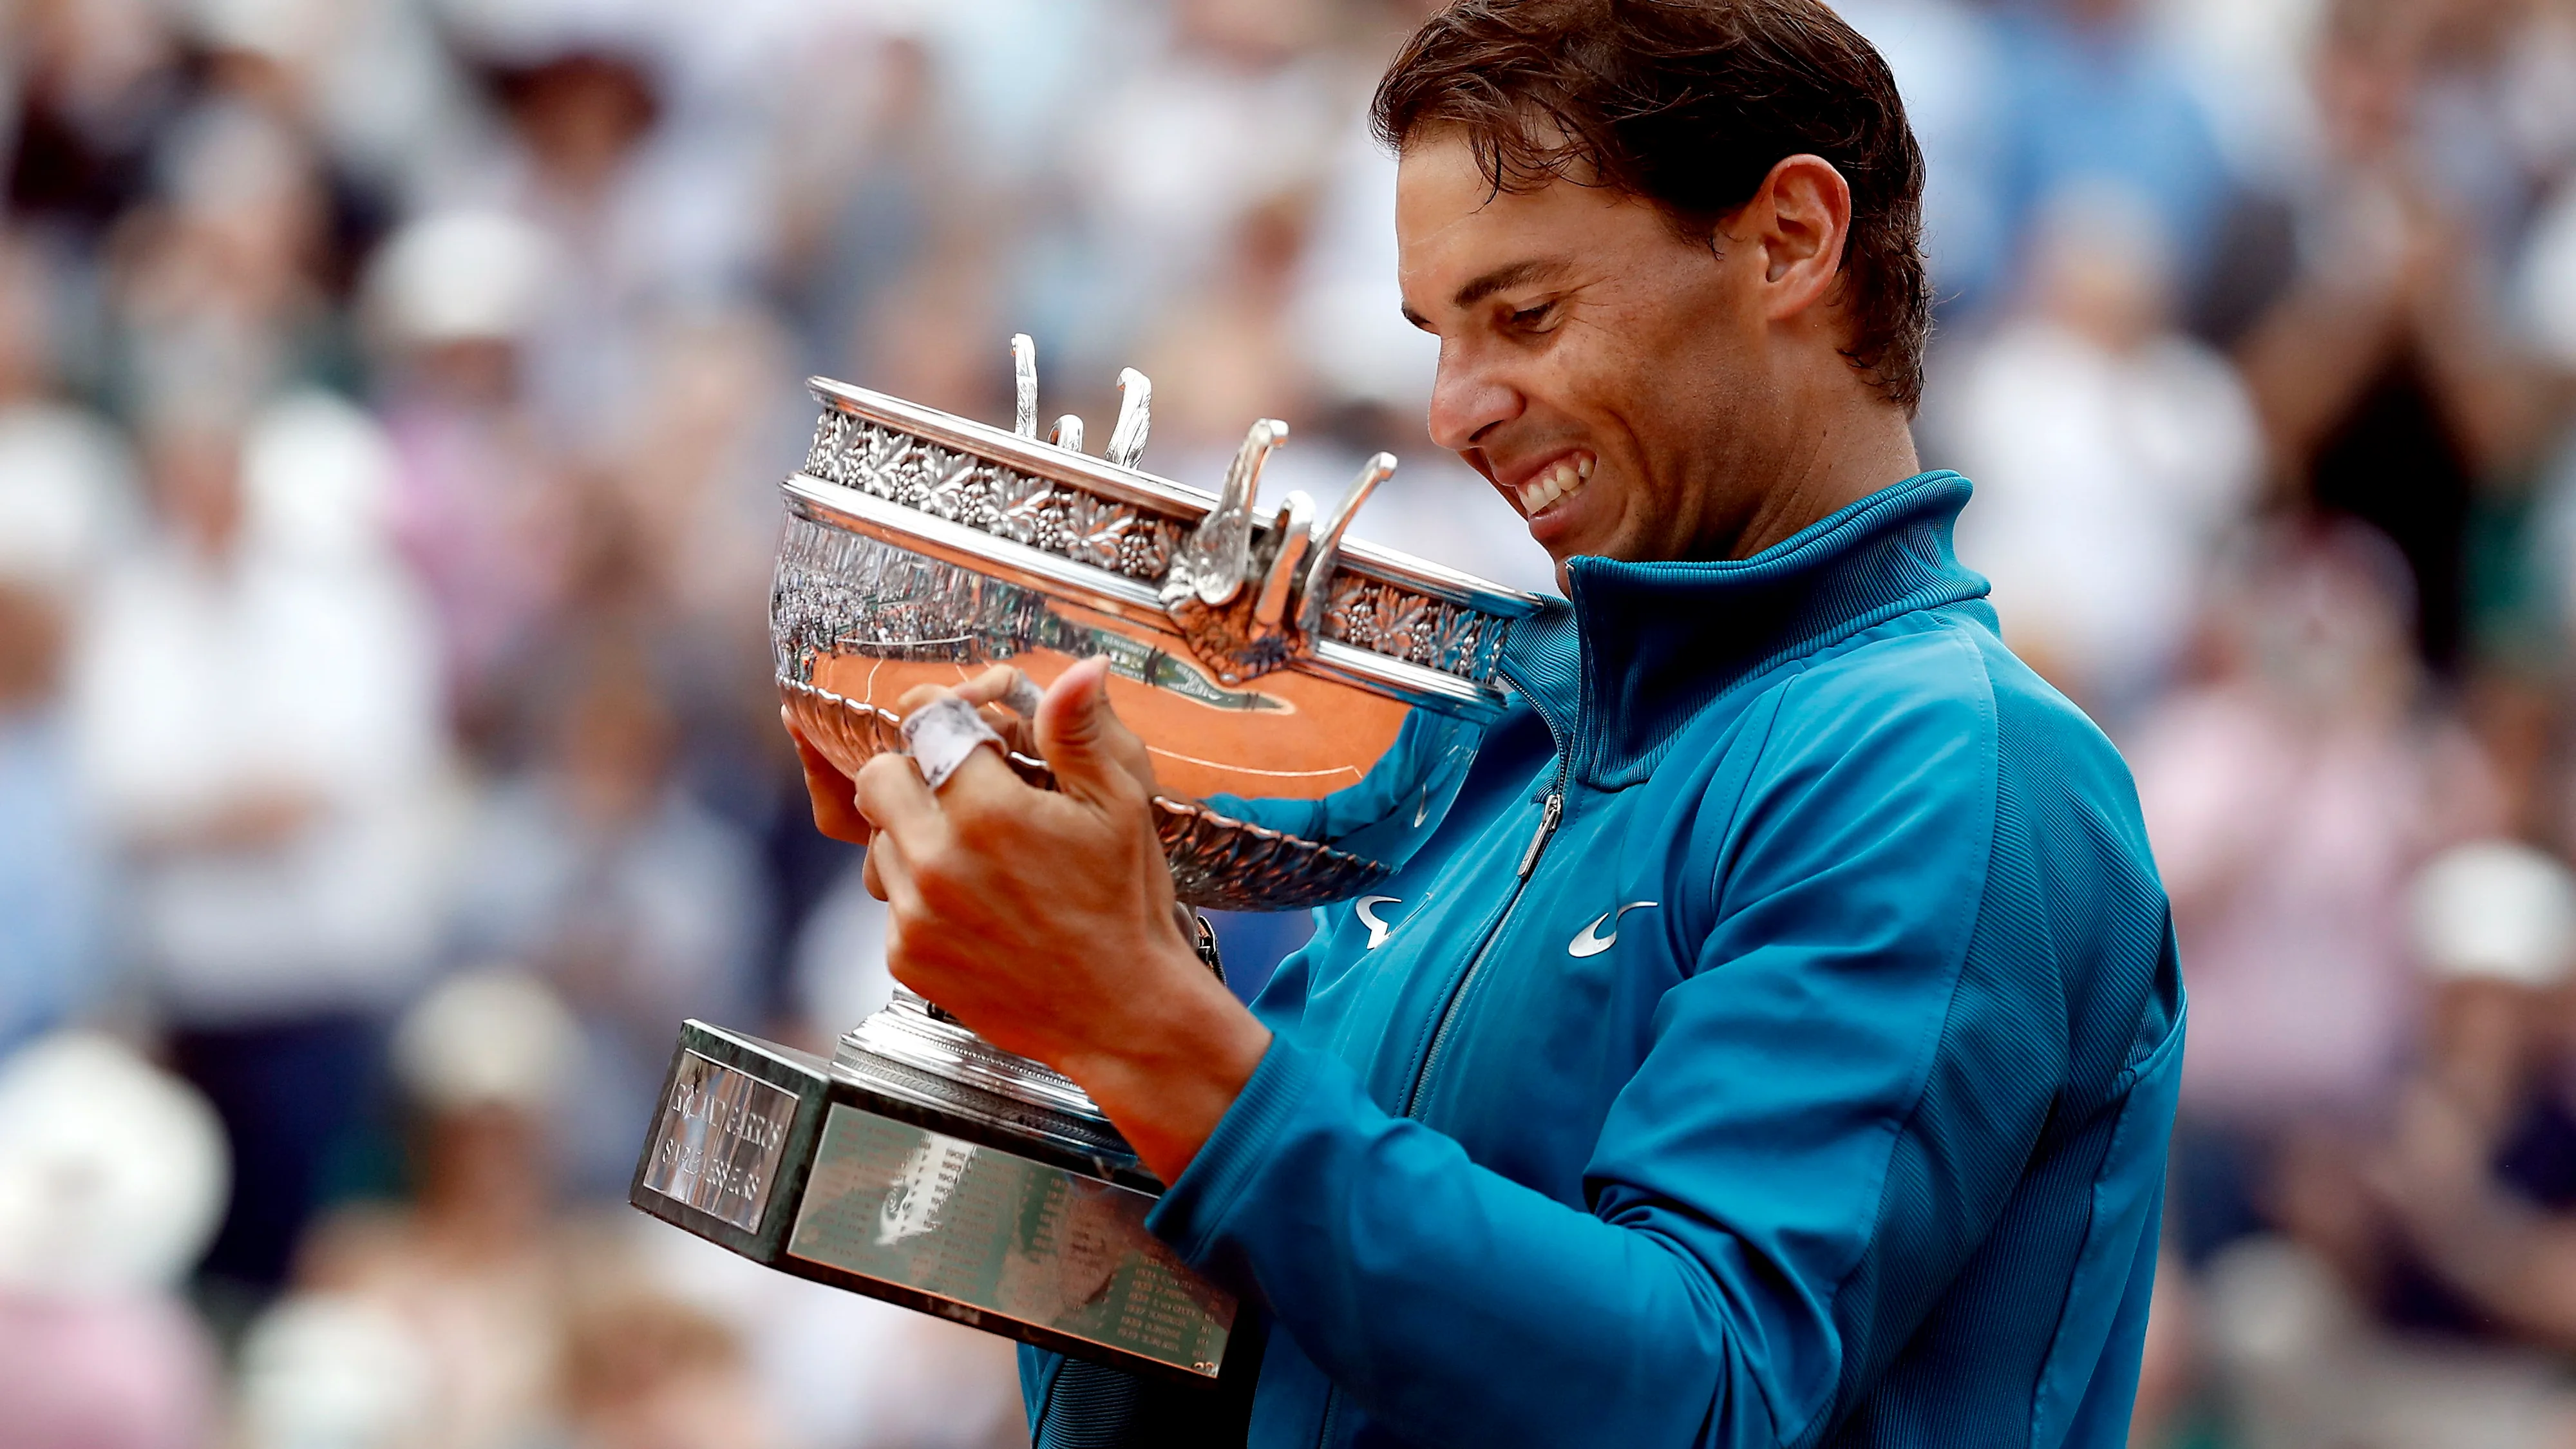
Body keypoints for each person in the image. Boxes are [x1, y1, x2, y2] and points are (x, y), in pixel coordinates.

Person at [788, 2, 2183, 1445]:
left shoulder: (1949, 764)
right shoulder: (1484, 766)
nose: (1454, 409)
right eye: (1436, 334)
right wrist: (1048, 1009)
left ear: (1787, 241)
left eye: (1523, 315)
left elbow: (1701, 1398)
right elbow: (1183, 1392)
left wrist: (1146, 1027)